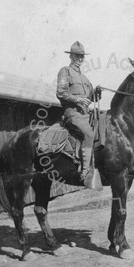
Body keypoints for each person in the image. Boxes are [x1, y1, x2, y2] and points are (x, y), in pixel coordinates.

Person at [56, 41, 100, 184]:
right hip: (72, 114)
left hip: (86, 114)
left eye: (82, 56)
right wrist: (77, 100)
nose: (79, 58)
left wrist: (97, 93)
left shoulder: (85, 78)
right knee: (89, 134)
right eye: (76, 55)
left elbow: (91, 98)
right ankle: (85, 171)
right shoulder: (65, 71)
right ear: (71, 56)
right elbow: (61, 92)